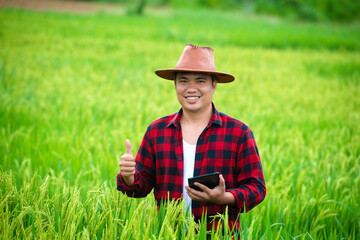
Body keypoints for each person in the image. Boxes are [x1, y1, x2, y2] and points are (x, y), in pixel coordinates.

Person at [117, 43, 266, 232]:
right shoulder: (157, 131)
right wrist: (129, 176)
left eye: (200, 81)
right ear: (175, 85)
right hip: (168, 233)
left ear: (214, 85)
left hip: (218, 234)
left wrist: (224, 197)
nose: (191, 88)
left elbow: (256, 188)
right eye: (184, 80)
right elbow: (139, 187)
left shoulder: (238, 133)